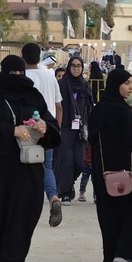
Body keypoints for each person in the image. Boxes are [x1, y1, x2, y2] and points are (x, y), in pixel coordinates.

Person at [0, 55, 61, 262]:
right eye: (12, 73)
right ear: (3, 73)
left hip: (26, 168)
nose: (17, 77)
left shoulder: (34, 97)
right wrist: (11, 130)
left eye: (20, 73)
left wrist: (45, 127)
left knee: (22, 214)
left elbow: (52, 127)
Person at [89, 69, 132, 262]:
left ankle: (110, 258)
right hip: (123, 172)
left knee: (109, 213)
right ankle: (126, 254)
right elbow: (130, 143)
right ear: (116, 85)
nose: (130, 87)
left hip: (102, 172)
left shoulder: (99, 109)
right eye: (126, 83)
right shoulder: (122, 111)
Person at [23, 43, 64, 226]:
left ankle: (27, 208)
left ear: (23, 57)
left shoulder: (23, 77)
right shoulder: (49, 75)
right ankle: (53, 198)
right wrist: (56, 130)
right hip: (48, 129)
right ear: (39, 56)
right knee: (47, 167)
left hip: (27, 131)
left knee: (25, 168)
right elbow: (59, 106)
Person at [55, 55, 94, 205]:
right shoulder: (62, 84)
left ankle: (68, 183)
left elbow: (90, 106)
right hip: (65, 127)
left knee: (79, 162)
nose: (76, 69)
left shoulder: (85, 85)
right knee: (66, 160)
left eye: (79, 66)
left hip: (80, 129)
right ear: (69, 67)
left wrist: (89, 125)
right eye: (73, 66)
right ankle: (66, 193)